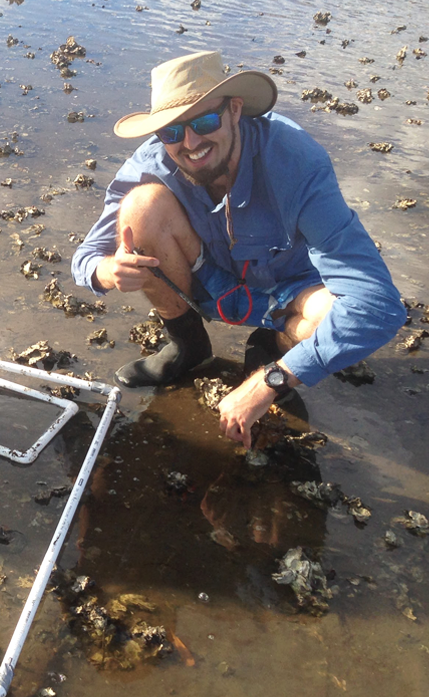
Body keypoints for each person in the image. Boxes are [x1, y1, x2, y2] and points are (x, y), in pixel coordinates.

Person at [71, 50, 405, 448]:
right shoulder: (155, 158)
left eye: (204, 121)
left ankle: (270, 351)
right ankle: (187, 346)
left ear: (234, 110)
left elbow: (379, 306)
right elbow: (87, 257)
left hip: (293, 291)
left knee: (329, 316)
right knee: (140, 206)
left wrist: (268, 383)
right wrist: (110, 270)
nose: (190, 143)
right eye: (172, 131)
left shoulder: (297, 162)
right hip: (209, 282)